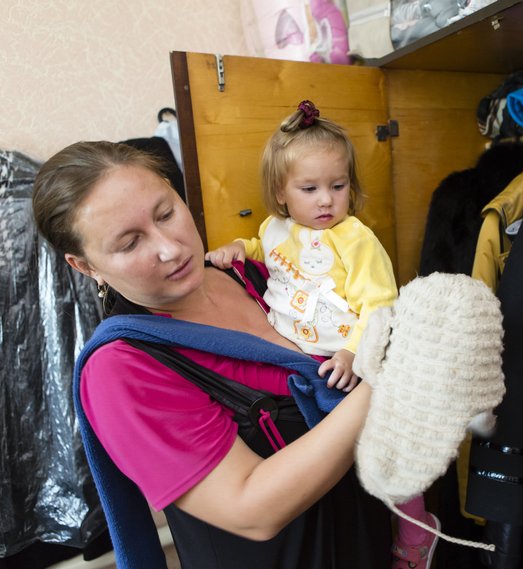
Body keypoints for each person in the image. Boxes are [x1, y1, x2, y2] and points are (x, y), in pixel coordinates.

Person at [31, 140, 392, 569]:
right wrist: (386, 377)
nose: (171, 248)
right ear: (85, 265)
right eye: (130, 244)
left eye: (166, 213)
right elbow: (251, 509)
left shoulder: (263, 278)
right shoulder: (123, 369)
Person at [205, 100, 440, 569]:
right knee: (328, 457)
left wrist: (356, 353)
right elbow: (260, 249)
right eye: (309, 188)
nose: (326, 200)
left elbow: (380, 304)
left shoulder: (355, 239)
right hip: (301, 359)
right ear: (281, 191)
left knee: (385, 447)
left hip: (349, 359)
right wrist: (238, 247)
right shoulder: (274, 230)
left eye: (338, 185)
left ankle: (417, 526)